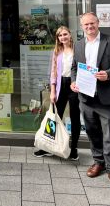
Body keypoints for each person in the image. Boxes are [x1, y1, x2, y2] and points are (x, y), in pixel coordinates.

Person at [71, 12, 110, 191]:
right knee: (92, 132)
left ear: (98, 23)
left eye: (92, 23)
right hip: (86, 98)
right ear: (82, 27)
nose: (89, 27)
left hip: (106, 97)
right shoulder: (79, 44)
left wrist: (109, 74)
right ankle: (99, 162)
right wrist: (74, 81)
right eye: (86, 25)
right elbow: (74, 67)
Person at [33, 26, 81, 160]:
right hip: (61, 86)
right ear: (58, 38)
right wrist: (53, 91)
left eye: (65, 34)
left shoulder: (78, 50)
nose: (63, 37)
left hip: (74, 85)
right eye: (60, 36)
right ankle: (47, 147)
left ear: (70, 35)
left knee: (75, 117)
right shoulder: (56, 51)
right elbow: (53, 73)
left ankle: (74, 149)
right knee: (54, 116)